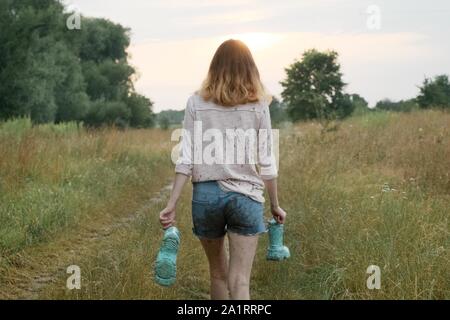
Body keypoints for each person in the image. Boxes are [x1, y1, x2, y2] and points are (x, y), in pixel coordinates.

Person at [159, 39, 287, 300]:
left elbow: (186, 158)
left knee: (217, 275)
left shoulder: (195, 102)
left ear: (214, 67)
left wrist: (171, 203)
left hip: (206, 196)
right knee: (240, 282)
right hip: (246, 196)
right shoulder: (259, 105)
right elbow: (267, 162)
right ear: (251, 68)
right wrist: (275, 205)